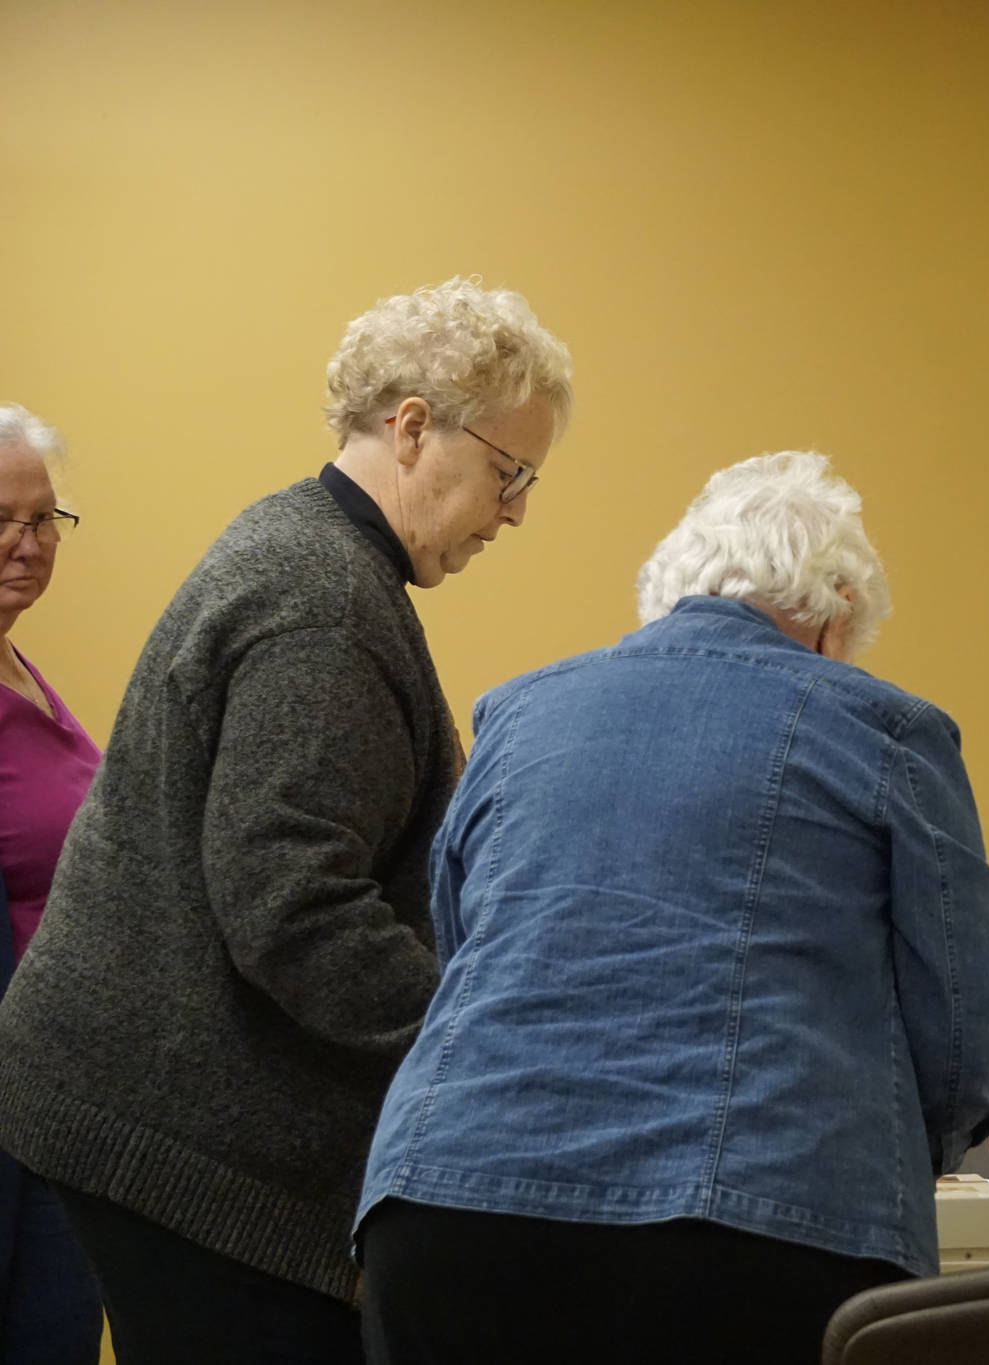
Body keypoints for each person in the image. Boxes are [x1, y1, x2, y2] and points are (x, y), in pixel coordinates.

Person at [0, 279, 572, 1364]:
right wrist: (482, 1044)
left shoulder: (312, 554)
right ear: (411, 428)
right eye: (511, 474)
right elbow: (292, 904)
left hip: (146, 1092)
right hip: (167, 1116)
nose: (515, 513)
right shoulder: (322, 599)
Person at [355, 450, 989, 1365]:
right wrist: (924, 1144)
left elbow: (461, 952)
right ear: (831, 618)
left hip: (446, 1211)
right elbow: (962, 1040)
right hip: (760, 1232)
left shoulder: (516, 714)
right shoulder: (887, 729)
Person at [0, 406, 102, 1362]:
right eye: (0, 519)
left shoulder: (21, 665)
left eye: (43, 521)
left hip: (49, 1097)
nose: (24, 546)